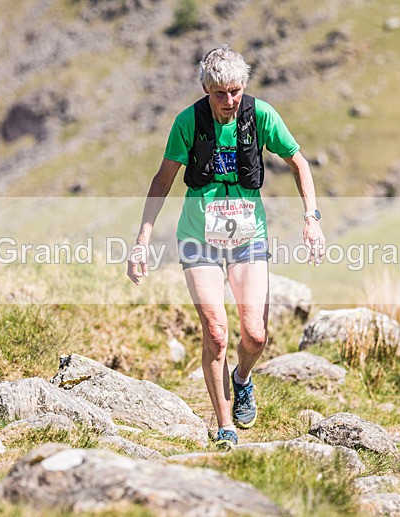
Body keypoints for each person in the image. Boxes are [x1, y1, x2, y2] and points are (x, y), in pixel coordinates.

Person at [127, 44, 325, 450]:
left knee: (254, 335)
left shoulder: (262, 115)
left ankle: (242, 378)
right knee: (216, 334)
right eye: (220, 93)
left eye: (235, 91)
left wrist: (312, 219)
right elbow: (161, 180)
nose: (229, 101)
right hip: (199, 240)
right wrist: (141, 241)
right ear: (205, 88)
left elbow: (299, 163)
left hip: (248, 240)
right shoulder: (188, 122)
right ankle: (224, 426)